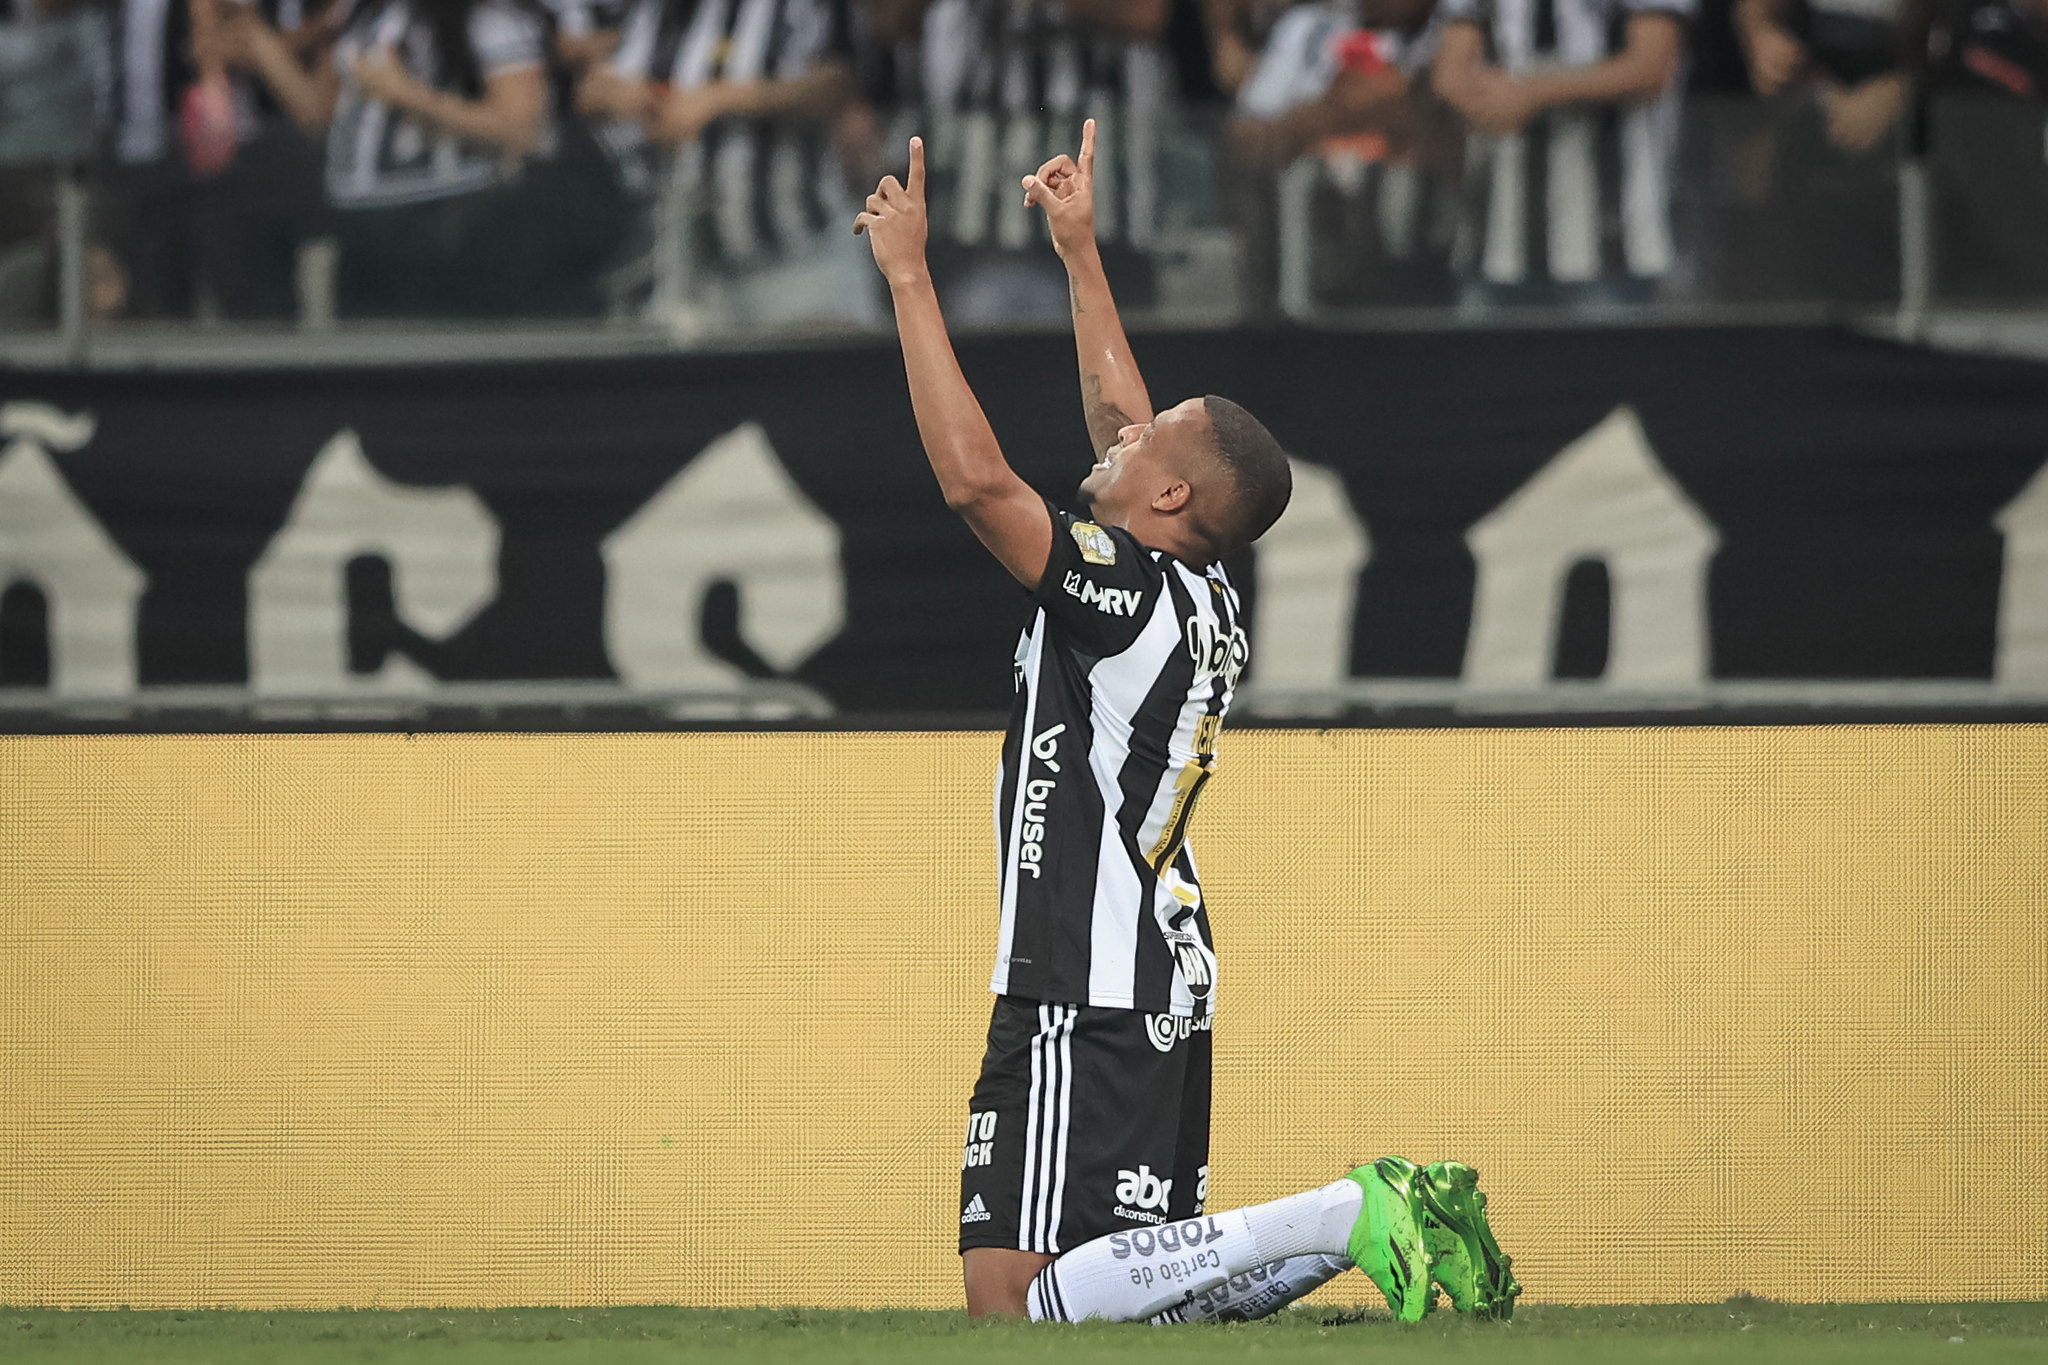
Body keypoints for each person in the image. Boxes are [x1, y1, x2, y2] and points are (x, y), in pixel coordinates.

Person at [852, 118, 1521, 1324]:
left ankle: (1346, 1212)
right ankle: (1371, 1226)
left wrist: (908, 275)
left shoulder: (1115, 591)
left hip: (1086, 977)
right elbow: (1128, 420)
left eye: (1147, 441)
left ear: (1168, 496)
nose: (1119, 431)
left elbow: (974, 483)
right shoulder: (1192, 583)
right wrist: (1080, 254)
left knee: (1036, 1310)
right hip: (1143, 970)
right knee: (1073, 1303)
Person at [1432, 0, 1691, 299]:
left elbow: (1653, 67)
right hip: (1497, 232)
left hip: (1610, 235)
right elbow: (1449, 73)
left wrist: (1530, 93)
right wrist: (1482, 100)